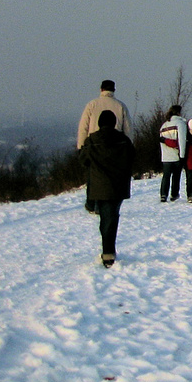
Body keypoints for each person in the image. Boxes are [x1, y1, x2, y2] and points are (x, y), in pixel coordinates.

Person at [80, 109, 135, 267]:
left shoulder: (92, 140)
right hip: (118, 185)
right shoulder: (123, 140)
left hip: (99, 186)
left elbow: (83, 160)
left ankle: (107, 250)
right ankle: (109, 251)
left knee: (105, 217)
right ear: (114, 123)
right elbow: (132, 156)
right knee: (112, 217)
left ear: (99, 123)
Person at [76, 79, 132, 149]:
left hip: (94, 148)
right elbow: (128, 130)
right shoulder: (121, 106)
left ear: (101, 89)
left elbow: (83, 129)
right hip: (116, 149)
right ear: (114, 90)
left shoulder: (91, 105)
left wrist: (81, 149)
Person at [158, 105, 187, 203]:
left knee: (166, 176)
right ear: (179, 113)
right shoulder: (180, 123)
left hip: (166, 156)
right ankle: (174, 194)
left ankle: (163, 194)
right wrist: (182, 155)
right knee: (176, 176)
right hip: (176, 155)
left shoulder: (164, 125)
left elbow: (161, 141)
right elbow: (182, 140)